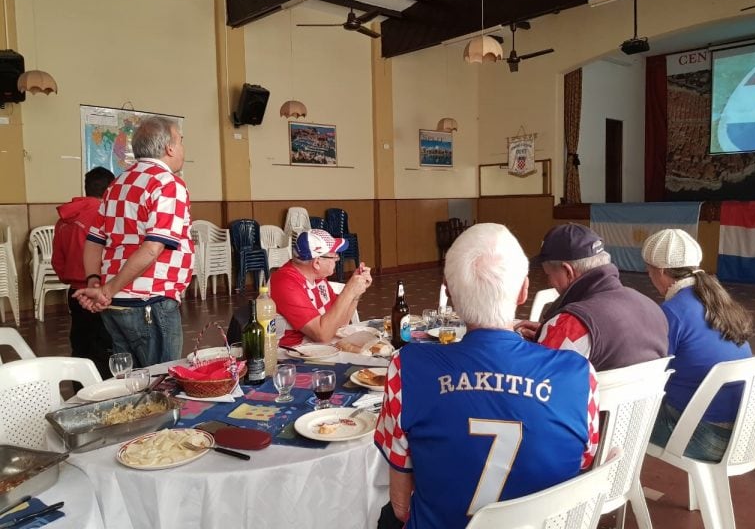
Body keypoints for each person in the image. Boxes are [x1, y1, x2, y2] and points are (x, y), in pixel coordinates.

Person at [374, 223, 599, 529]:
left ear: (449, 292)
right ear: (523, 291)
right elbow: (582, 463)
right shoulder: (580, 376)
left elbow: (401, 507)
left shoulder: (406, 368)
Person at [74, 116, 193, 367]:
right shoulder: (168, 184)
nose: (182, 148)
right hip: (151, 302)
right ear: (169, 147)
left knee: (131, 383)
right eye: (181, 141)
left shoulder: (117, 184)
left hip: (116, 306)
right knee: (162, 383)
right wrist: (106, 291)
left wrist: (96, 282)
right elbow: (152, 248)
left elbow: (95, 241)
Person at [642, 228, 753, 462]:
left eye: (649, 270)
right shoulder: (720, 301)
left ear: (660, 271)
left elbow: (647, 375)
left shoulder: (672, 313)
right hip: (746, 431)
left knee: (615, 420)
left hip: (706, 437)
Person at [516, 223, 668, 371]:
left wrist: (556, 333)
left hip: (595, 397)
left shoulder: (571, 324)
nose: (549, 282)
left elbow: (539, 383)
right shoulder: (653, 308)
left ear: (568, 271)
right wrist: (549, 334)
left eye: (548, 275)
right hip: (647, 396)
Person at [52, 167, 115, 379]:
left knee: (81, 348)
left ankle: (80, 397)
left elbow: (57, 261)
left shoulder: (64, 219)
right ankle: (106, 400)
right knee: (105, 351)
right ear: (109, 190)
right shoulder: (105, 215)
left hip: (75, 293)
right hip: (100, 294)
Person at [268, 229, 372, 347]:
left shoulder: (317, 277)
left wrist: (355, 293)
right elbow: (322, 335)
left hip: (319, 349)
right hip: (292, 356)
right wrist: (349, 290)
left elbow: (341, 324)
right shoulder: (285, 283)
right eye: (334, 256)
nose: (337, 259)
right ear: (317, 263)